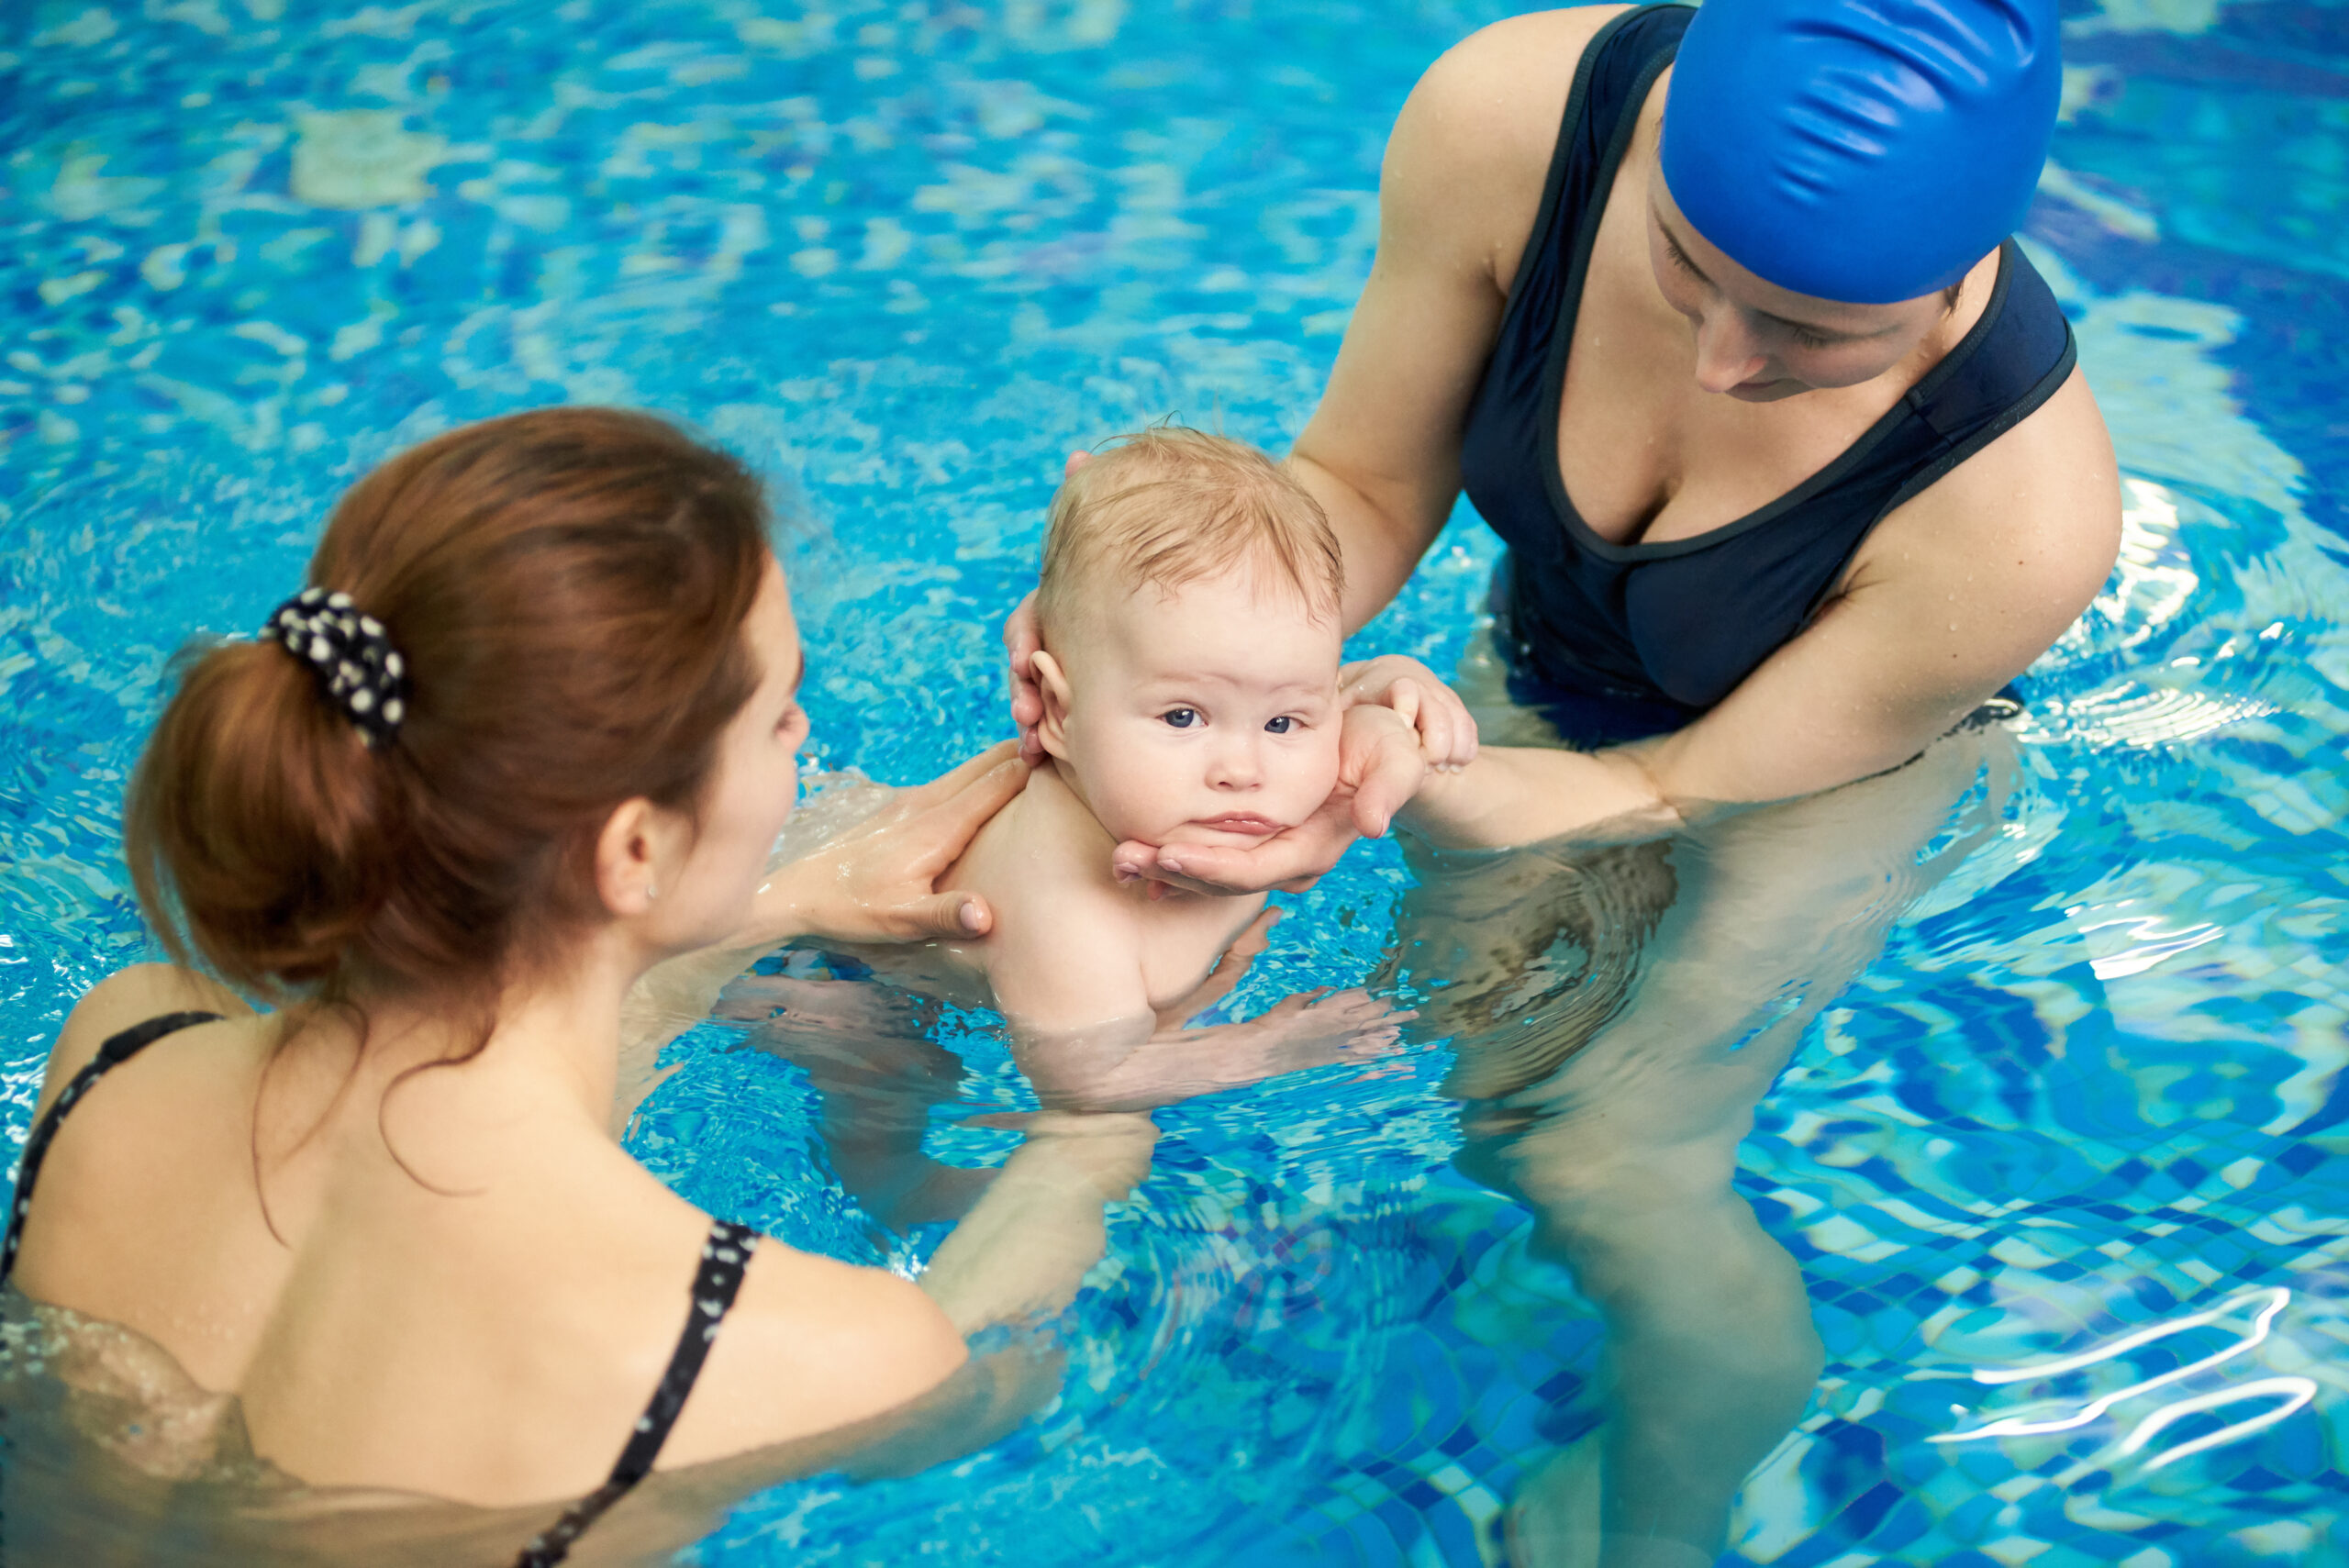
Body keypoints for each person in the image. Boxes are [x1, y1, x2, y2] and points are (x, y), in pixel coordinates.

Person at [4, 408, 1038, 1565]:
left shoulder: (118, 1053)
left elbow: (461, 1127)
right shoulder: (805, 1350)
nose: (803, 734)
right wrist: (1103, 1110)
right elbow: (1004, 1389)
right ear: (629, 853)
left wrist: (781, 896)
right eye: (779, 708)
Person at [1008, 0, 2121, 884]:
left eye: (1815, 332)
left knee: (1593, 1143)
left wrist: (1414, 785)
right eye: (1682, 258)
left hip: (1805, 786)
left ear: (1959, 277)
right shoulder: (1508, 130)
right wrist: (1139, 623)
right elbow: (1363, 483)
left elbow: (1679, 791)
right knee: (1457, 1038)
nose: (1720, 364)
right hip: (1548, 666)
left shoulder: (2022, 519)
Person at [763, 428, 1424, 1329]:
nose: (1243, 767)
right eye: (1183, 714)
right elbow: (1087, 1081)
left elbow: (1348, 704)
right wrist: (1274, 1046)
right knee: (924, 1091)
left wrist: (1387, 723)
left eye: (1284, 721)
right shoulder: (1062, 892)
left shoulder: (1233, 780)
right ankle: (907, 1237)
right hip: (833, 973)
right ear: (1061, 714)